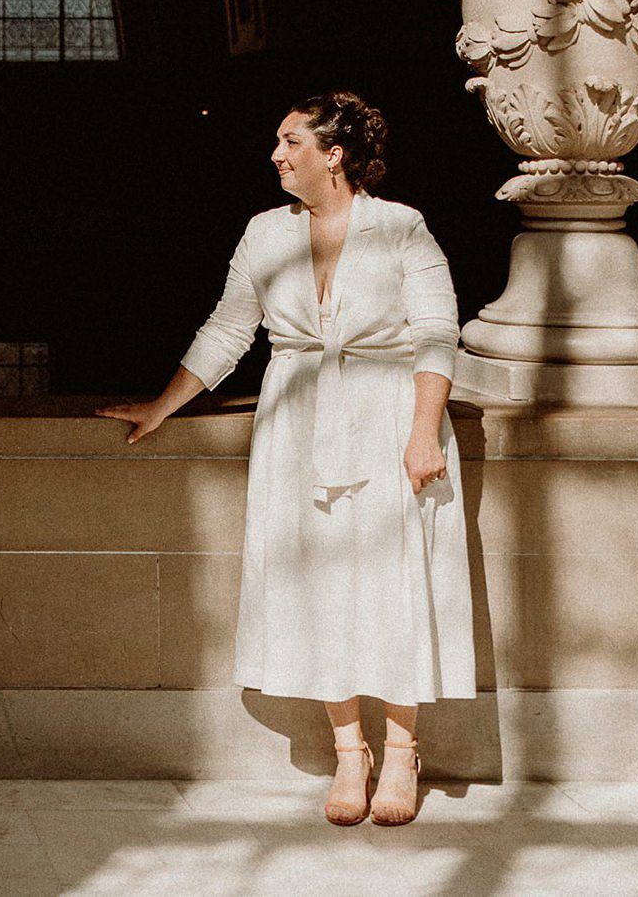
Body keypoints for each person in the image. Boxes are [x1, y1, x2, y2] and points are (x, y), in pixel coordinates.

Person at [99, 92, 472, 827]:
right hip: (296, 425)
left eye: (291, 139)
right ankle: (349, 751)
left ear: (333, 153)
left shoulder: (401, 227)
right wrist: (160, 405)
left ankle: (401, 750)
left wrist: (424, 431)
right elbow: (228, 329)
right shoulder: (265, 233)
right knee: (320, 578)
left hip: (388, 416)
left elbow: (436, 332)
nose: (276, 152)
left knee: (396, 576)